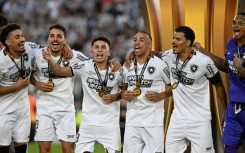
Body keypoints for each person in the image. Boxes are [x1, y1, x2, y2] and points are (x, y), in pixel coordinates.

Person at [42, 36, 122, 153]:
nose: (99, 50)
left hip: (110, 125)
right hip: (88, 124)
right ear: (91, 51)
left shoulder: (118, 70)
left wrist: (116, 97)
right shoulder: (84, 66)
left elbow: (127, 92)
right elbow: (59, 71)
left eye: (103, 47)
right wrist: (50, 59)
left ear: (109, 52)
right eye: (96, 47)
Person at [158, 26, 226, 153]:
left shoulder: (204, 62)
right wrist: (133, 53)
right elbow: (157, 54)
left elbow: (219, 85)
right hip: (177, 119)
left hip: (199, 120)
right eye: (173, 38)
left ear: (188, 42)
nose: (173, 41)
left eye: (178, 39)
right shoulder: (169, 56)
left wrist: (224, 110)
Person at [30, 24, 89, 153]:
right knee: (44, 149)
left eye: (59, 36)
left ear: (65, 40)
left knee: (68, 149)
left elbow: (92, 65)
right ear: (47, 39)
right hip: (44, 109)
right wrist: (38, 84)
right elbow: (28, 75)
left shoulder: (74, 56)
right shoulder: (38, 54)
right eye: (52, 36)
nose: (55, 39)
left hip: (66, 109)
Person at [193, 12, 245, 153]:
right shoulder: (230, 43)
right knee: (229, 147)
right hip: (234, 106)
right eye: (234, 22)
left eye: (240, 23)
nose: (235, 25)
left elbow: (240, 71)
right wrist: (204, 52)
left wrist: (242, 69)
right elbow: (225, 65)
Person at [121, 31, 171, 153]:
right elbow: (123, 89)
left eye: (141, 40)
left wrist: (161, 95)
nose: (137, 42)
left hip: (153, 122)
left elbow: (175, 87)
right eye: (135, 40)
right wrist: (125, 94)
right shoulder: (127, 65)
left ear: (149, 45)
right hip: (132, 122)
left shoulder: (160, 65)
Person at [0, 23, 40, 153]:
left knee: (22, 147)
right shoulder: (0, 61)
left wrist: (66, 46)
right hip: (4, 110)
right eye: (17, 37)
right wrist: (16, 86)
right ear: (7, 42)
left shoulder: (29, 48)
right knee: (4, 147)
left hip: (23, 109)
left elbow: (49, 49)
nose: (22, 39)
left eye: (22, 36)